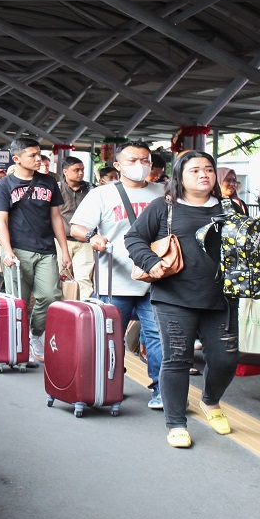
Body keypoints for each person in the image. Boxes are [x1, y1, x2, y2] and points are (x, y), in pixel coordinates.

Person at [125, 150, 236, 448]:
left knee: (226, 359)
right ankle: (176, 423)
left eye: (209, 169)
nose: (204, 174)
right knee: (177, 359)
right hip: (174, 296)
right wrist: (150, 262)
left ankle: (210, 401)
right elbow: (134, 238)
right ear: (179, 177)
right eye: (195, 170)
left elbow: (244, 248)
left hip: (221, 297)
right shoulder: (163, 207)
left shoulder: (230, 208)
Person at [70, 141, 165, 409]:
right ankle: (110, 383)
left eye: (145, 160)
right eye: (133, 161)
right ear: (118, 165)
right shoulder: (102, 194)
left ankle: (160, 389)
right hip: (115, 279)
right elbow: (77, 227)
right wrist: (93, 236)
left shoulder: (163, 192)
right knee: (110, 337)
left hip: (155, 280)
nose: (140, 165)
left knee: (158, 336)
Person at [0, 137, 72, 361]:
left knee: (51, 296)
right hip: (17, 250)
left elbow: (56, 218)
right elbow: (1, 222)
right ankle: (18, 343)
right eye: (32, 155)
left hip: (46, 249)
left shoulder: (49, 182)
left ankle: (34, 334)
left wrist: (64, 250)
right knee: (20, 301)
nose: (39, 159)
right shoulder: (4, 185)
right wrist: (7, 251)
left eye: (39, 154)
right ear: (16, 159)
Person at [58, 156, 94, 300]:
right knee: (60, 278)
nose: (81, 173)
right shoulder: (56, 189)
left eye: (82, 170)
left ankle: (85, 312)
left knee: (84, 279)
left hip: (85, 240)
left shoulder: (92, 189)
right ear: (65, 172)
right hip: (60, 240)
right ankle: (60, 312)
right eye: (76, 170)